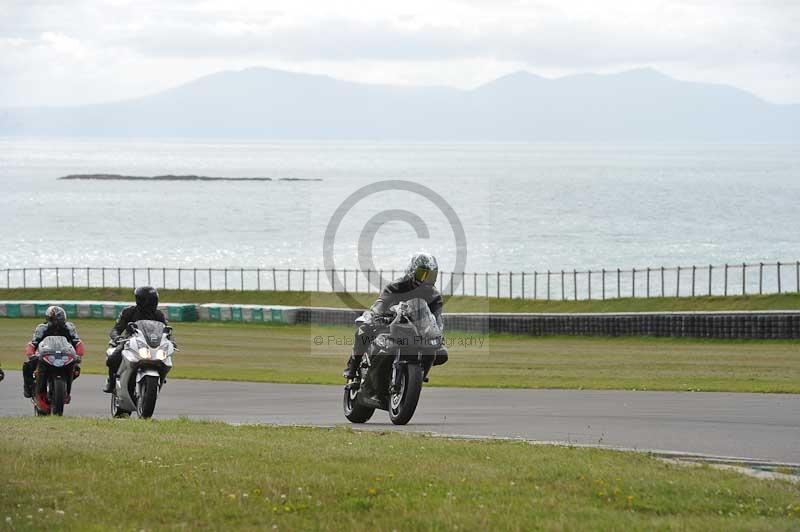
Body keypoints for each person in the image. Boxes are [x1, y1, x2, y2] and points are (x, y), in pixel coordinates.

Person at [343, 252, 447, 379]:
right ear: (412, 271)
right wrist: (376, 315)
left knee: (440, 352)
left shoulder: (434, 296)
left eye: (431, 276)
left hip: (415, 329)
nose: (426, 279)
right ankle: (353, 366)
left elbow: (436, 319)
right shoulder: (396, 286)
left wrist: (438, 335)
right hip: (390, 322)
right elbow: (380, 304)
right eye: (422, 274)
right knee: (363, 330)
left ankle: (419, 374)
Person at [103, 286, 169, 393]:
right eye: (149, 300)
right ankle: (112, 381)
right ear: (141, 300)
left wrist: (171, 341)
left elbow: (167, 331)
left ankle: (160, 378)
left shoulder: (159, 315)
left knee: (165, 359)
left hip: (152, 344)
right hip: (130, 342)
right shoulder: (129, 312)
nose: (151, 303)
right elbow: (116, 329)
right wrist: (117, 337)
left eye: (153, 300)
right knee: (113, 359)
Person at [22, 305, 84, 398]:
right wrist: (31, 354)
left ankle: (65, 389)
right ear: (48, 319)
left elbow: (78, 342)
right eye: (54, 319)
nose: (57, 322)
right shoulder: (42, 328)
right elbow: (33, 343)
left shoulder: (69, 327)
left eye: (59, 319)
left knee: (76, 369)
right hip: (45, 353)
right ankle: (29, 388)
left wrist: (78, 355)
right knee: (27, 366)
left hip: (64, 354)